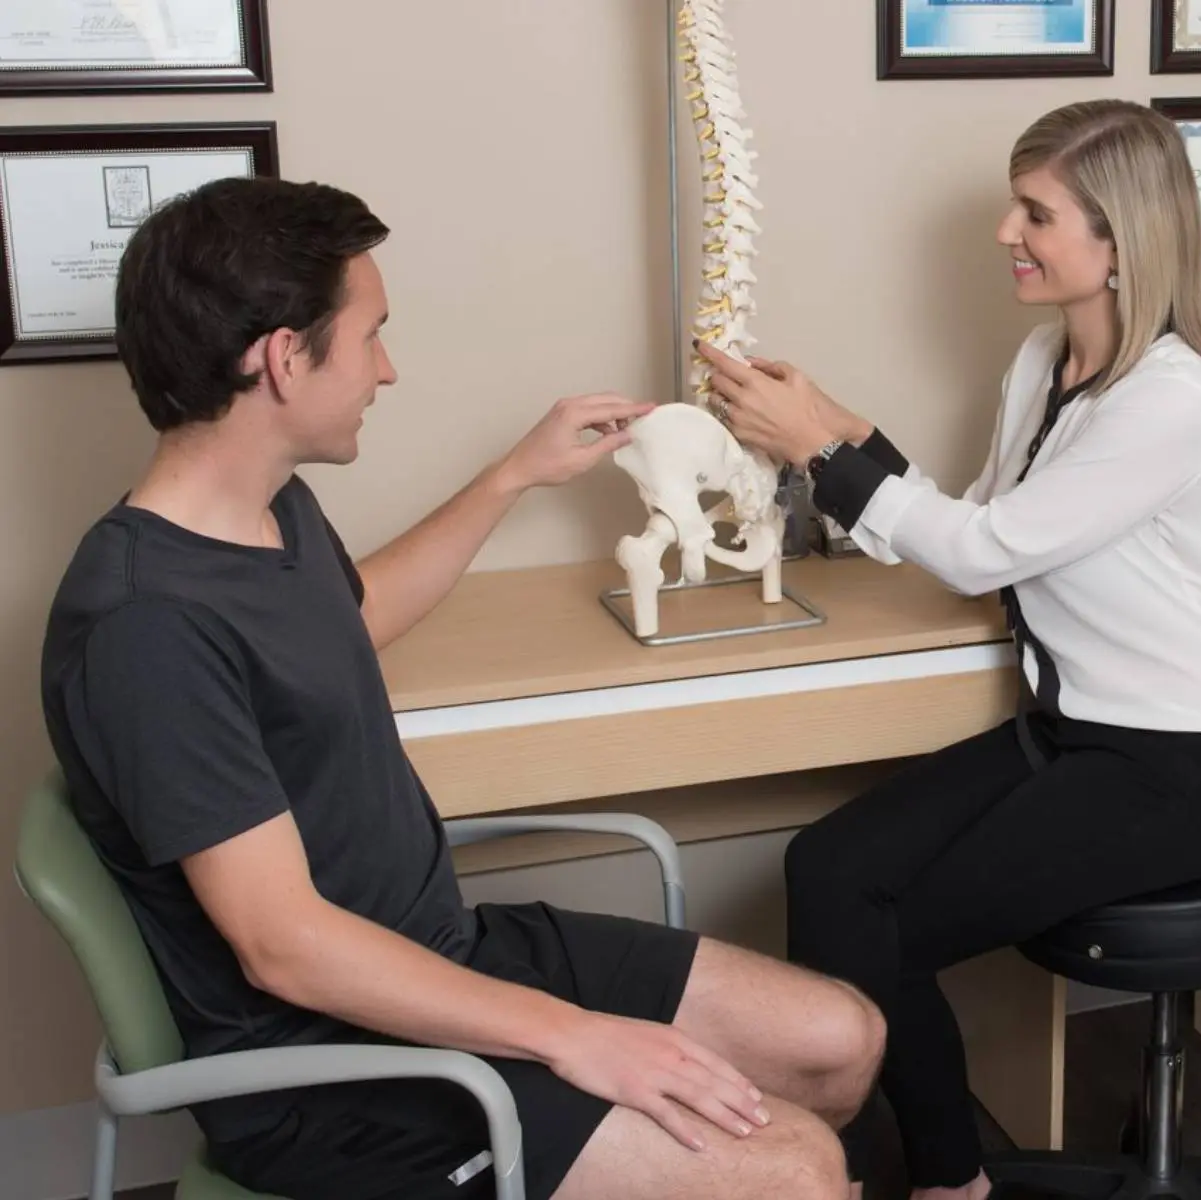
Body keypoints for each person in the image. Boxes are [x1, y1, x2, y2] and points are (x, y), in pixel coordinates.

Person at [39, 176, 884, 1200]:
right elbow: (286, 950)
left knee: (838, 1040)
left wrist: (511, 476)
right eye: (369, 337)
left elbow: (343, 625)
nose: (387, 370)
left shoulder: (266, 510)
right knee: (797, 1173)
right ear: (279, 358)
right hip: (338, 1072)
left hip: (446, 953)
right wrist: (575, 1039)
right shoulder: (146, 628)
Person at [696, 99, 1201, 1200]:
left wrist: (821, 450)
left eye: (1035, 213)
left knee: (890, 934)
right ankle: (911, 1156)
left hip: (1180, 764)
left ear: (1119, 241)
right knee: (825, 870)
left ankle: (945, 1180)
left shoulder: (1173, 401)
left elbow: (983, 551)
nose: (1005, 235)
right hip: (1075, 732)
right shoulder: (1043, 362)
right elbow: (984, 517)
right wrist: (833, 425)